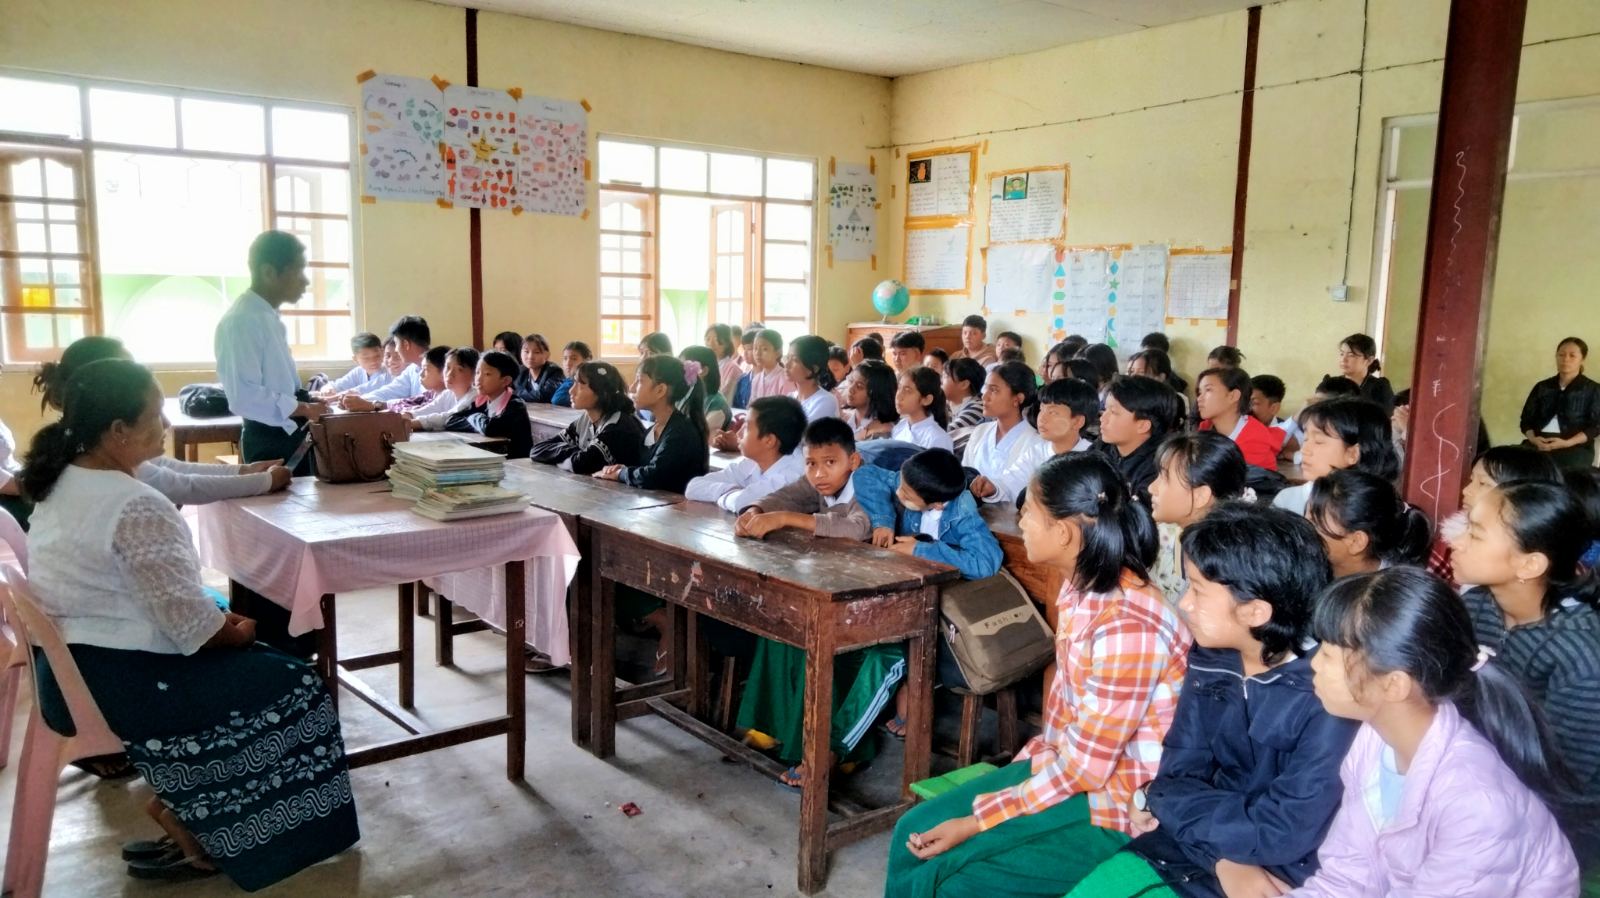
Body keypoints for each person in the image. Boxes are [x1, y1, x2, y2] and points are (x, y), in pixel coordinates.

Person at [21, 358, 359, 888]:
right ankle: (219, 830)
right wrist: (235, 630)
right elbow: (196, 632)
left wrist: (216, 617)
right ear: (118, 430)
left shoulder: (64, 479)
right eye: (155, 415)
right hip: (118, 678)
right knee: (296, 683)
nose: (165, 425)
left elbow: (159, 598)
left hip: (70, 665)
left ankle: (193, 803)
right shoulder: (134, 503)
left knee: (253, 652)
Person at [885, 453, 1189, 898]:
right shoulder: (1082, 588)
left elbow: (1086, 771)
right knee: (911, 832)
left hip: (1119, 803)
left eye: (1028, 512)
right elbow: (1067, 733)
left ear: (1063, 532)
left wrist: (978, 820)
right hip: (1072, 771)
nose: (1021, 522)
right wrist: (1019, 774)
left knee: (950, 878)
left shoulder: (1127, 625)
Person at [1070, 503, 1354, 898]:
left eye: (1198, 590)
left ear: (1255, 611)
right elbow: (1177, 771)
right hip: (1191, 846)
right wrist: (1220, 858)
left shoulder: (1327, 697)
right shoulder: (1212, 659)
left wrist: (1159, 798)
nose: (1184, 603)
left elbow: (1281, 830)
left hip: (1274, 873)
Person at [1290, 568, 1581, 897]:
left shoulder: (1476, 805)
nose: (1314, 664)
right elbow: (1347, 879)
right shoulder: (1372, 742)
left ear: (1394, 685)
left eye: (1329, 654)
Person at [733, 418, 892, 785]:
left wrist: (785, 519)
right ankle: (773, 727)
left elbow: (857, 527)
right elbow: (786, 496)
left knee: (820, 644)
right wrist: (756, 511)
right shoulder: (818, 481)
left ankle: (837, 750)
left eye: (830, 463)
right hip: (831, 584)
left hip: (871, 596)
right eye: (811, 463)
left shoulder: (867, 485)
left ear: (853, 461)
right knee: (780, 627)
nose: (819, 473)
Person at [1451, 481, 1600, 866]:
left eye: (1475, 534)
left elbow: (1567, 780)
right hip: (1480, 783)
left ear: (1530, 564)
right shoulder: (1476, 605)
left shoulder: (1580, 656)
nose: (1457, 542)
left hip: (1554, 824)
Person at [37, 335, 291, 507]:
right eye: (127, 369)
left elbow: (167, 469)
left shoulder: (87, 442)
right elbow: (182, 485)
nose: (166, 423)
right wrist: (265, 481)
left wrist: (244, 470)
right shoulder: (102, 460)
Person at [213, 230, 326, 473]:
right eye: (298, 270)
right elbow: (244, 396)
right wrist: (304, 408)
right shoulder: (242, 321)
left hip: (290, 431)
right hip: (269, 439)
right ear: (268, 272)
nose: (305, 281)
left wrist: (308, 401)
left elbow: (280, 383)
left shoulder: (267, 316)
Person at [1428, 445, 1563, 587]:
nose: (1466, 490)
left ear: (1523, 494)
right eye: (1471, 480)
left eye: (1483, 483)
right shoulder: (1451, 542)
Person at [1146, 431, 1249, 605]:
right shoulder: (1165, 533)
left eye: (1165, 478)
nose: (1151, 488)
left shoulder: (1228, 565)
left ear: (1201, 496)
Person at [595, 354, 709, 493]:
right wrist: (624, 469)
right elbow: (645, 468)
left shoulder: (681, 432)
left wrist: (621, 474)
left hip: (679, 505)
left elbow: (654, 476)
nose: (632, 388)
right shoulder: (654, 430)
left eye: (640, 381)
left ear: (660, 390)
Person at [1272, 397, 1398, 516]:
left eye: (1318, 441)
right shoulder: (1288, 500)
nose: (1304, 450)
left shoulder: (1379, 508)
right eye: (1305, 439)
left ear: (1353, 454)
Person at [685, 396, 806, 513]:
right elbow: (693, 487)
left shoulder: (792, 477)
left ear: (769, 441)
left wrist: (727, 494)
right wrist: (730, 489)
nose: (739, 433)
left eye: (747, 427)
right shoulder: (752, 463)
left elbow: (740, 502)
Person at [1305, 469, 1432, 579]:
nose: (1302, 524)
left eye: (1315, 522)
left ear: (1356, 542)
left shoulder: (1386, 594)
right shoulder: (1312, 565)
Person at [529, 361, 645, 475]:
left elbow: (580, 464)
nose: (571, 391)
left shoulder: (619, 425)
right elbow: (537, 450)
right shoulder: (586, 419)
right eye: (574, 383)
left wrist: (562, 457)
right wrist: (575, 452)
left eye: (581, 385)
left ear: (602, 392)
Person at [962, 361, 1048, 506]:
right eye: (986, 388)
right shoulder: (980, 431)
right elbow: (964, 474)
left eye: (994, 390)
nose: (984, 397)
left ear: (1017, 399)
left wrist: (993, 489)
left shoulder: (1036, 441)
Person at [1096, 375, 1182, 508]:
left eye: (1113, 412)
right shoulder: (1103, 447)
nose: (1103, 418)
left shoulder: (1161, 466)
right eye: (1105, 409)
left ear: (1143, 426)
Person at [1520, 336, 1600, 470]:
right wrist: (1534, 439)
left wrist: (1567, 443)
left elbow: (1596, 427)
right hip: (1539, 443)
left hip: (1575, 447)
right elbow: (1526, 420)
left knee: (1561, 472)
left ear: (1582, 359)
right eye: (1561, 355)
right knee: (1514, 464)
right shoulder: (1542, 387)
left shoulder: (1593, 389)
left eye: (1572, 355)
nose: (1565, 359)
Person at [443, 350, 532, 458]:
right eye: (477, 373)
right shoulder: (482, 401)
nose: (478, 379)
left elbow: (490, 428)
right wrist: (479, 424)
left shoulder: (516, 405)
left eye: (487, 374)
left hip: (515, 463)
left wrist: (475, 417)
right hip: (492, 458)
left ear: (505, 381)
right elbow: (450, 421)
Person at [1194, 366, 1284, 470]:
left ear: (1233, 396)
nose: (1199, 398)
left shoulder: (1255, 440)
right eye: (1200, 392)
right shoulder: (1205, 429)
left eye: (1208, 390)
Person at [351, 315, 432, 405]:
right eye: (388, 355)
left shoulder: (438, 368)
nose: (396, 349)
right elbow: (390, 391)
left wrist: (375, 405)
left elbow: (427, 404)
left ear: (406, 344)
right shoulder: (412, 369)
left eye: (396, 344)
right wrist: (361, 400)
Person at [405, 347, 479, 432]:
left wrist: (411, 423)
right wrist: (408, 415)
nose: (450, 374)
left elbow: (449, 417)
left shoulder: (475, 397)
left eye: (459, 370)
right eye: (448, 367)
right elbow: (431, 409)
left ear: (475, 374)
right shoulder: (448, 393)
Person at [890, 366, 953, 451]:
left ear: (926, 400)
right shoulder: (899, 427)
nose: (899, 396)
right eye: (899, 388)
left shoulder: (938, 439)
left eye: (908, 390)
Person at [1034, 377, 1096, 458]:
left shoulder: (1093, 458)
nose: (1042, 418)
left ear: (1077, 422)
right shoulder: (1033, 454)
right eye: (1041, 409)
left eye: (1052, 412)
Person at [731, 328, 793, 408]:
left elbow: (788, 410)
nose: (758, 353)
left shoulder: (785, 379)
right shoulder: (756, 379)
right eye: (755, 348)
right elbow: (752, 407)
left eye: (764, 349)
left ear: (778, 353)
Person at [1335, 333, 1395, 414]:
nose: (1343, 359)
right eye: (1342, 354)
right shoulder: (1331, 384)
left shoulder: (1379, 387)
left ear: (1369, 360)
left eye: (1351, 355)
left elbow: (1385, 417)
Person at [841, 359, 899, 442]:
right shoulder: (844, 419)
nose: (851, 389)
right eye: (851, 381)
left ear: (877, 392)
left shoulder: (882, 432)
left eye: (859, 386)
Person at [787, 334, 841, 422]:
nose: (787, 364)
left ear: (814, 368)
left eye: (795, 360)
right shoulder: (790, 398)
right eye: (787, 358)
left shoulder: (826, 401)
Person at [680, 345, 733, 435]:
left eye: (684, 368)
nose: (680, 373)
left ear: (703, 371)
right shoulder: (685, 396)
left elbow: (699, 435)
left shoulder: (717, 404)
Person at [316, 331, 388, 396]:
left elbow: (367, 389)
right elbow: (337, 386)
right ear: (355, 359)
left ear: (382, 352)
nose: (373, 361)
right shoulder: (358, 372)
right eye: (366, 358)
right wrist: (327, 389)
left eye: (377, 356)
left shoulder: (389, 371)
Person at [942, 357, 987, 457]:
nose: (940, 381)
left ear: (964, 384)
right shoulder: (946, 404)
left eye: (945, 376)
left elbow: (945, 433)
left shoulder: (978, 407)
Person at [513, 333, 564, 403]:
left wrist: (515, 394)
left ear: (547, 355)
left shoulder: (554, 371)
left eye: (536, 352)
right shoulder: (521, 371)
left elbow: (543, 396)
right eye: (526, 351)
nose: (530, 357)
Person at [705, 324, 743, 405]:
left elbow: (725, 396)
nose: (711, 344)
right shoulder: (705, 366)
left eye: (716, 340)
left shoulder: (733, 368)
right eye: (708, 339)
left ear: (727, 343)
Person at [549, 340, 592, 407]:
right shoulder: (569, 379)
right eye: (565, 358)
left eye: (574, 359)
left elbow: (557, 399)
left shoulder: (585, 381)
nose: (568, 363)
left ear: (586, 361)